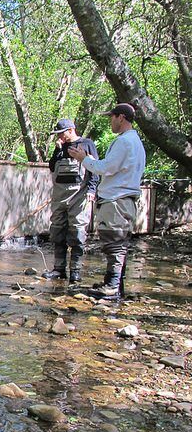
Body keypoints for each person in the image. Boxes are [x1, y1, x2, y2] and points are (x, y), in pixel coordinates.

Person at [67, 103, 145, 299]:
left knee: (114, 243)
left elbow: (106, 168)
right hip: (124, 199)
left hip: (117, 200)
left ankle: (111, 286)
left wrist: (84, 159)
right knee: (119, 242)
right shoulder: (135, 141)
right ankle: (116, 284)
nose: (110, 121)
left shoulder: (125, 142)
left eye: (112, 117)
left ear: (121, 118)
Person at [42, 119, 99, 283]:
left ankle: (75, 271)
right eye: (58, 133)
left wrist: (92, 189)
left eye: (62, 133)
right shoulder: (60, 147)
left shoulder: (87, 144)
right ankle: (59, 269)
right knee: (57, 231)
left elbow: (94, 168)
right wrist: (57, 150)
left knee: (77, 232)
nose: (60, 136)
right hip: (60, 197)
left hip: (79, 196)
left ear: (71, 130)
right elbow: (52, 167)